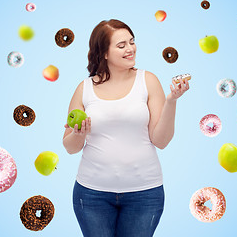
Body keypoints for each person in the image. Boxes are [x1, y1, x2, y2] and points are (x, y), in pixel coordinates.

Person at [62, 19, 189, 237]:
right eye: (121, 45)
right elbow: (70, 147)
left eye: (131, 42)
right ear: (104, 53)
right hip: (91, 194)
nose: (130, 49)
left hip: (145, 194)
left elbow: (161, 140)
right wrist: (77, 133)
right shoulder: (84, 89)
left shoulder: (147, 80)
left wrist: (171, 101)